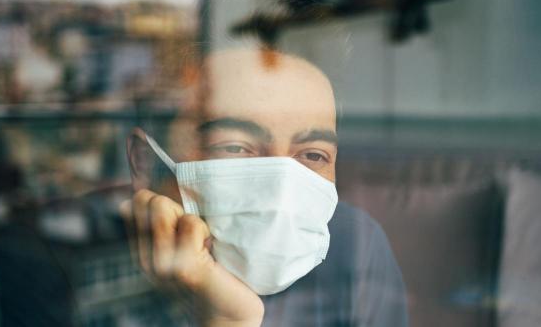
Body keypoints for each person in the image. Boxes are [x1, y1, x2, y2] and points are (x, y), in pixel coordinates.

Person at [121, 46, 408, 326]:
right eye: (234, 147)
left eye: (313, 155)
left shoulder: (355, 245)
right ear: (144, 161)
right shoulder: (97, 271)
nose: (280, 192)